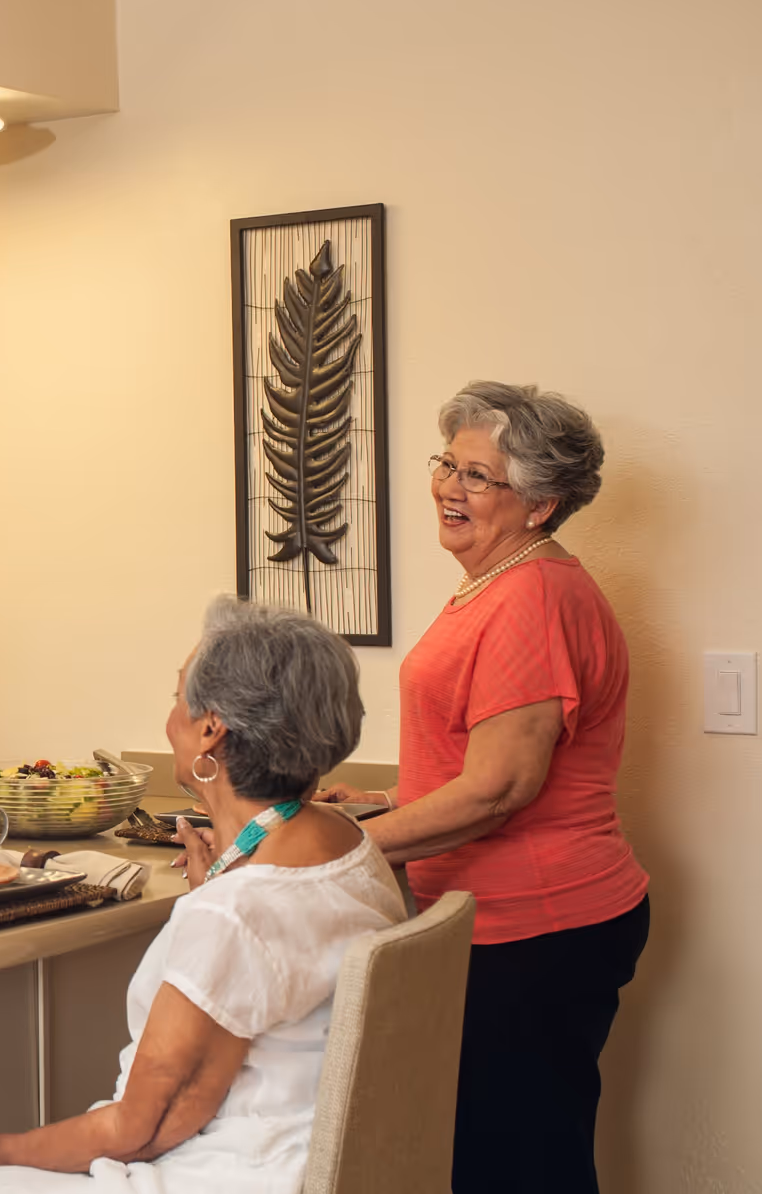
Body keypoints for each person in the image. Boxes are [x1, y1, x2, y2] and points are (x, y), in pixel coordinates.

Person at [0, 598, 405, 1193]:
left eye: (178, 696)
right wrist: (220, 895)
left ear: (211, 729)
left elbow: (141, 1129)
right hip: (318, 1157)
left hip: (235, 1170)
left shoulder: (237, 913)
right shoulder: (349, 844)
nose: (170, 716)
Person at [318, 381, 648, 1194]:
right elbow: (471, 762)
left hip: (537, 926)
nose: (447, 489)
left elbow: (499, 789)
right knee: (501, 1150)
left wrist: (333, 852)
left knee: (520, 1162)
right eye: (447, 465)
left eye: (477, 477)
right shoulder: (501, 582)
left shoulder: (532, 596)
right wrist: (382, 804)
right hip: (505, 920)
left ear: (541, 504)